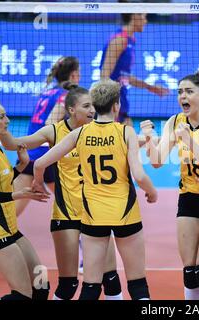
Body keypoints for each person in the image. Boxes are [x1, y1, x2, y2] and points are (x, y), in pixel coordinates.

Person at [33, 79, 157, 300]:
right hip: (125, 213)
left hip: (92, 216)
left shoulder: (79, 134)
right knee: (138, 285)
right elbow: (139, 175)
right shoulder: (125, 132)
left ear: (95, 105)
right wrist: (151, 192)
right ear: (116, 105)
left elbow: (40, 163)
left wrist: (37, 182)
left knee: (91, 286)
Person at [0, 84, 123, 300]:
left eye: (93, 105)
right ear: (71, 109)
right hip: (66, 216)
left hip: (97, 216)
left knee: (110, 278)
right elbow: (13, 144)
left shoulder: (102, 129)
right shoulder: (55, 131)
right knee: (68, 285)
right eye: (86, 106)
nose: (92, 110)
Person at [0, 58, 81, 276]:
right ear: (74, 75)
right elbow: (50, 126)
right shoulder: (66, 97)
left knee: (72, 205)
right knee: (10, 208)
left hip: (40, 152)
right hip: (44, 153)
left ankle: (84, 255)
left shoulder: (48, 92)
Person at [141, 71, 199, 300]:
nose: (183, 96)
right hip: (188, 198)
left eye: (189, 91)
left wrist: (189, 140)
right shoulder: (175, 121)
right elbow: (157, 161)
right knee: (190, 273)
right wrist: (150, 138)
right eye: (180, 92)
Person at [0, 98, 50, 299]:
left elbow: (2, 183)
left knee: (41, 286)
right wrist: (19, 194)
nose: (8, 120)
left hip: (11, 228)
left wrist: (21, 166)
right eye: (2, 117)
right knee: (22, 295)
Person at [100, 13, 169, 126]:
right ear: (134, 16)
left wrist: (150, 87)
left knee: (130, 138)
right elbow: (104, 76)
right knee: (126, 139)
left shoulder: (130, 40)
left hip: (121, 98)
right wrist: (109, 104)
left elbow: (124, 76)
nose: (146, 21)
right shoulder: (120, 40)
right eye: (144, 17)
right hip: (112, 103)